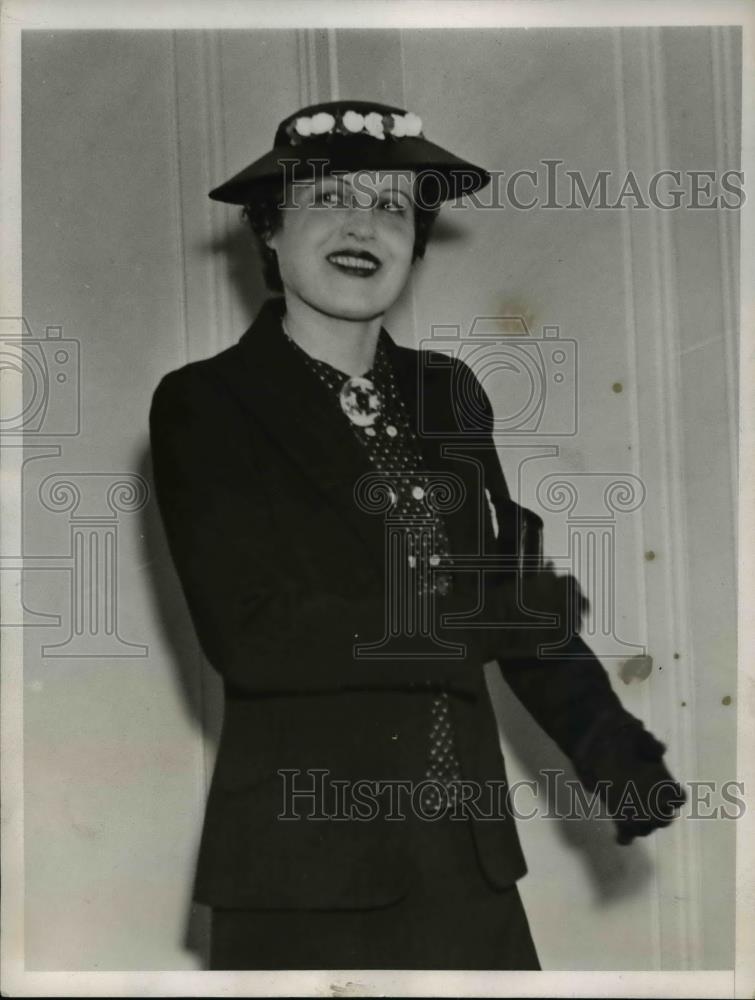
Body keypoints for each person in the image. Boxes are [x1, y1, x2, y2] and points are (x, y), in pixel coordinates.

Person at [149, 100, 685, 971]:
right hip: (303, 868)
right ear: (271, 232)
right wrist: (480, 616)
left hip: (469, 865)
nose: (364, 225)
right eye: (328, 198)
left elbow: (514, 601)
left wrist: (615, 755)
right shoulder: (204, 405)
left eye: (393, 207)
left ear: (415, 243)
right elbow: (257, 638)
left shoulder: (449, 393)